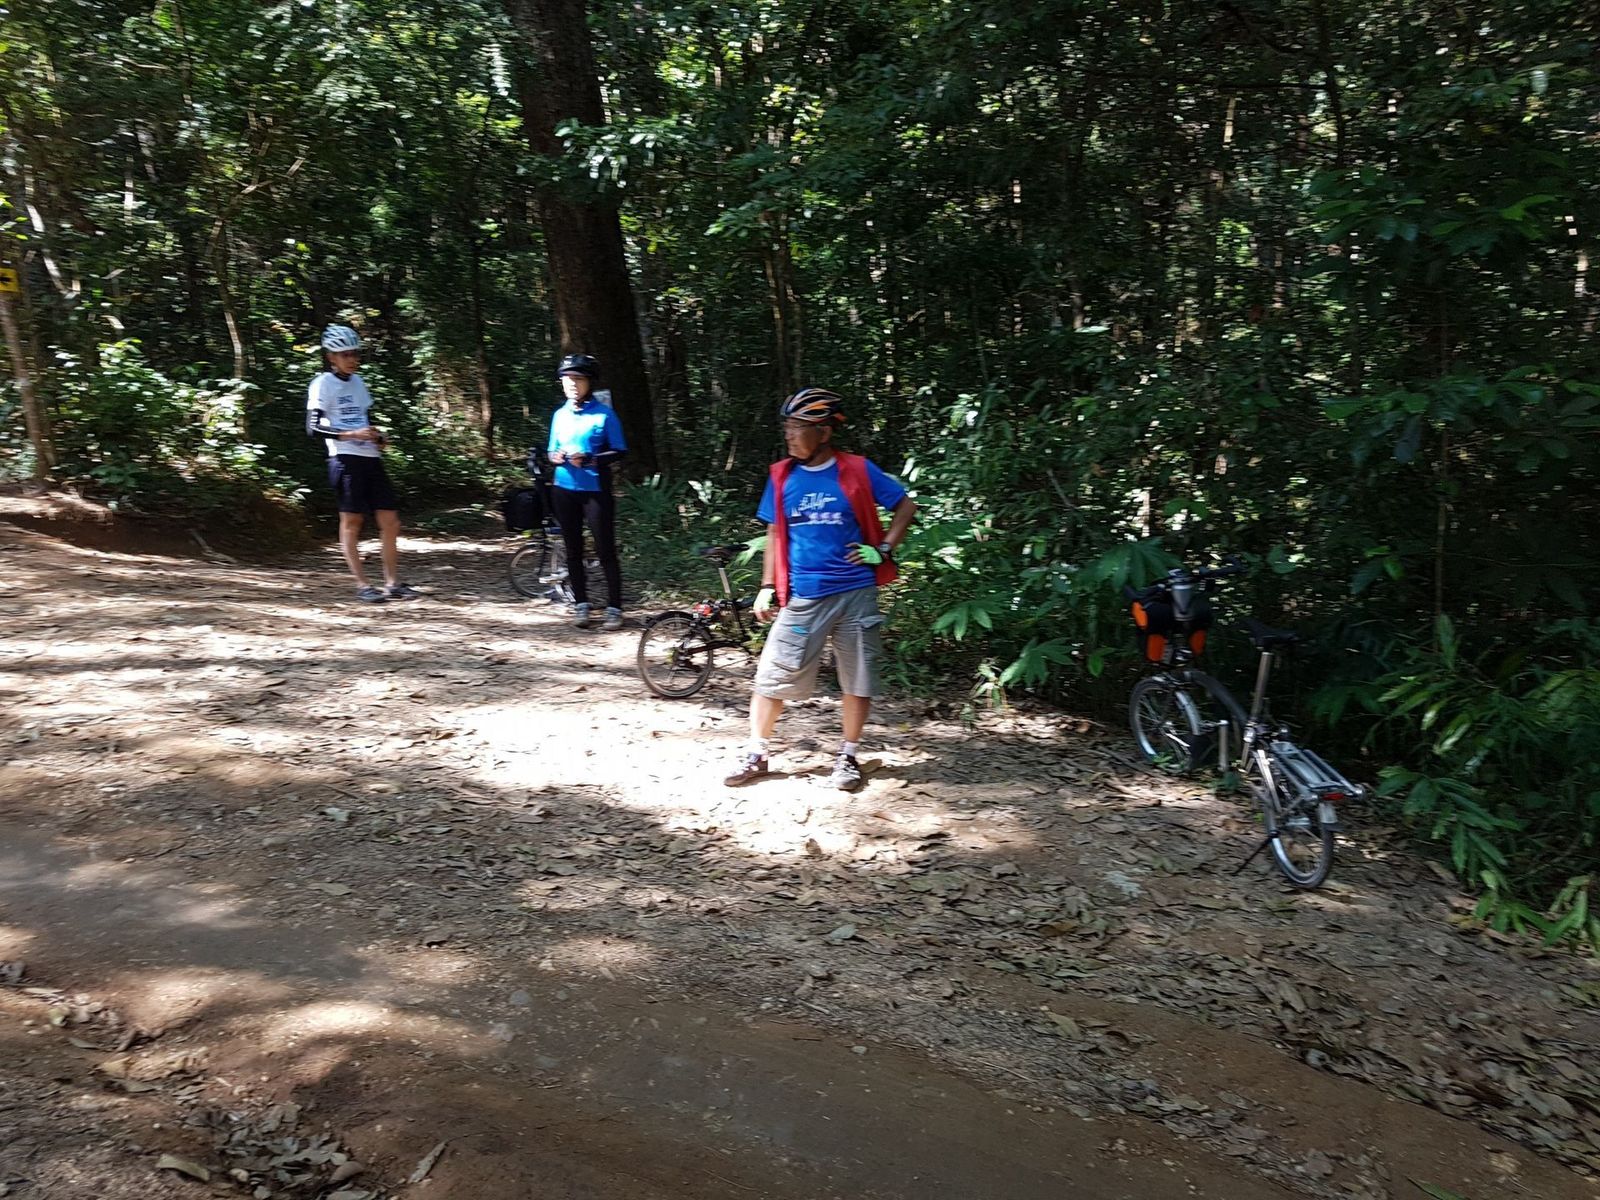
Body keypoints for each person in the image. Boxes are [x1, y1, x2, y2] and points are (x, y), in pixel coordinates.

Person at [725, 387, 917, 792]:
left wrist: (883, 550)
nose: (789, 434)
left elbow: (905, 507)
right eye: (787, 426)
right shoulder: (782, 476)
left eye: (799, 427)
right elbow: (774, 532)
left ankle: (847, 756)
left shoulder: (858, 470)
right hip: (805, 595)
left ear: (825, 432)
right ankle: (757, 753)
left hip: (856, 592)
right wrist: (766, 586)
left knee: (857, 679)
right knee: (771, 675)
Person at [305, 324, 417, 604]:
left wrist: (378, 437)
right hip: (344, 458)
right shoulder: (322, 383)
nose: (352, 359)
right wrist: (351, 434)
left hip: (370, 458)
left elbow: (364, 419)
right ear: (331, 357)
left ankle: (392, 583)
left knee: (390, 521)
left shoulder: (359, 382)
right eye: (345, 354)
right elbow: (313, 427)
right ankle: (362, 584)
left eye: (355, 354)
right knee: (352, 521)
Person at [545, 353, 627, 630]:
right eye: (566, 379)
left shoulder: (604, 414)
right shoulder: (559, 415)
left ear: (589, 382)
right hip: (563, 489)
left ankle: (614, 607)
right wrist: (555, 457)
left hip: (595, 491)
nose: (571, 384)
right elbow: (551, 449)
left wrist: (591, 458)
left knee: (605, 549)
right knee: (573, 549)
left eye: (577, 379)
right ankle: (581, 603)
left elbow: (619, 450)